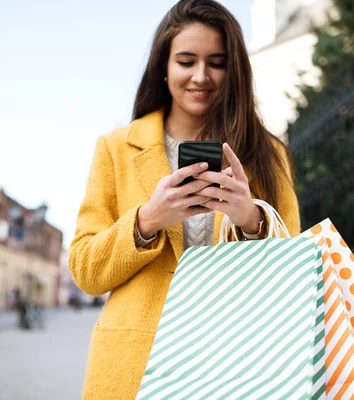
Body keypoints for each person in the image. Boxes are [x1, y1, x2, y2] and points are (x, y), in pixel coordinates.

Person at [69, 1, 301, 398]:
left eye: (217, 62)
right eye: (186, 60)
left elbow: (291, 280)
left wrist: (250, 220)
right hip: (135, 367)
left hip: (239, 367)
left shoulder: (267, 153)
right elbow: (86, 271)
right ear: (164, 66)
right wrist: (145, 221)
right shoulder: (115, 149)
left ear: (234, 70)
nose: (201, 76)